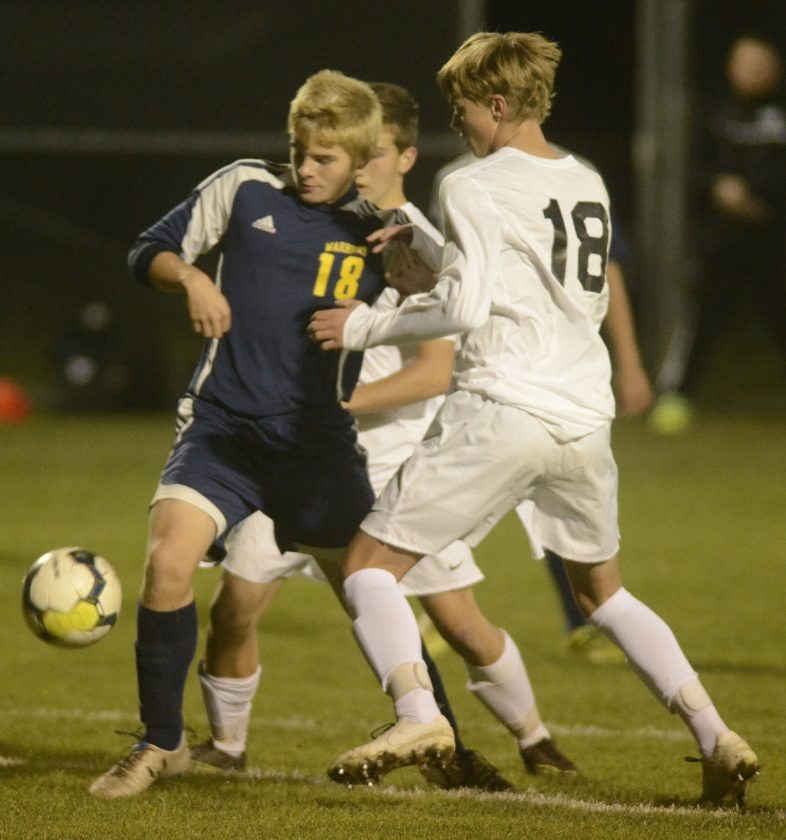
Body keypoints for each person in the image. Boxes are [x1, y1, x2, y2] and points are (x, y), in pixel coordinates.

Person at [309, 32, 760, 808]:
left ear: (497, 103)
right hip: (582, 420)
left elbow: (466, 307)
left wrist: (362, 327)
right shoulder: (584, 179)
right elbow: (516, 279)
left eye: (461, 109)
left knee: (368, 568)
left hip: (502, 408)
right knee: (604, 595)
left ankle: (418, 717)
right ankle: (717, 735)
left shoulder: (470, 182)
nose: (456, 125)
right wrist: (421, 238)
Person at [191, 82, 574, 792]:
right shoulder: (323, 224)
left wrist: (336, 402)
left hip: (390, 465)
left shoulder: (412, 243)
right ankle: (226, 745)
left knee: (456, 622)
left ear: (402, 157)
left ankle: (527, 739)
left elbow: (434, 371)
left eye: (372, 153)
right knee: (234, 606)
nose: (357, 165)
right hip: (299, 454)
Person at [89, 69, 395, 799]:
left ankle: (433, 728)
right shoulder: (246, 186)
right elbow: (148, 250)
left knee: (372, 591)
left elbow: (447, 300)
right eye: (299, 151)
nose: (306, 168)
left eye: (324, 158)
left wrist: (415, 263)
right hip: (222, 426)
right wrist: (192, 279)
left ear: (360, 160)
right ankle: (161, 742)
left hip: (315, 444)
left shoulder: (382, 231)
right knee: (168, 564)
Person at [429, 154, 653, 664]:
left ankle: (574, 621)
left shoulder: (560, 178)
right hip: (505, 374)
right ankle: (444, 607)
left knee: (448, 506)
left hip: (529, 377)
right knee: (461, 500)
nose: (460, 120)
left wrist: (630, 362)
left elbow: (606, 271)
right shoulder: (471, 177)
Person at [650, 34, 786, 435]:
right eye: (747, 63)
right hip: (721, 239)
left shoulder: (779, 115)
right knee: (702, 319)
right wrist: (718, 188)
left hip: (773, 239)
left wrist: (760, 198)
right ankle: (678, 394)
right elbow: (695, 168)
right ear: (731, 68)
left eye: (762, 64)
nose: (755, 71)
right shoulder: (714, 114)